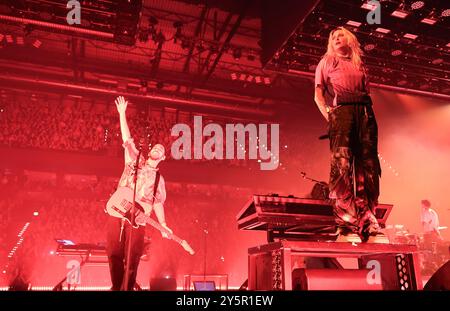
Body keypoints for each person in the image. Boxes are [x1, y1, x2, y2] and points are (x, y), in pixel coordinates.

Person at [314, 27, 387, 243]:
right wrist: (331, 116)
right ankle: (345, 223)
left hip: (365, 113)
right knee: (342, 166)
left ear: (350, 39)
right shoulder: (327, 62)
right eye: (333, 37)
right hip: (342, 112)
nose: (337, 38)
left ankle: (369, 221)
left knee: (369, 167)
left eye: (340, 35)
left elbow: (367, 92)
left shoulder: (359, 63)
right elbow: (318, 96)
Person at [106, 96, 172, 290]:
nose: (158, 148)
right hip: (118, 209)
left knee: (133, 255)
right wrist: (122, 114)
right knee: (113, 251)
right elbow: (127, 139)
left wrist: (164, 225)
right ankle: (117, 286)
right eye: (156, 146)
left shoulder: (159, 179)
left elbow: (158, 202)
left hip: (139, 216)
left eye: (161, 149)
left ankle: (128, 286)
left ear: (163, 157)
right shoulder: (135, 159)